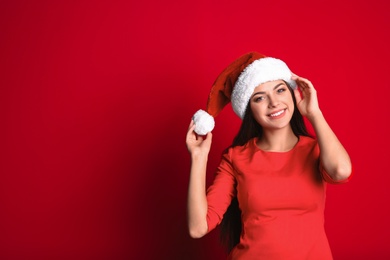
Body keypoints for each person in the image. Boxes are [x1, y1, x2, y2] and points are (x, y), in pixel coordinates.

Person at [186, 52, 352, 259]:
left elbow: (341, 171)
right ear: (249, 110)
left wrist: (314, 113)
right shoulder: (235, 158)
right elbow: (197, 227)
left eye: (280, 90)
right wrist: (199, 157)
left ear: (293, 93)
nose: (274, 102)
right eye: (260, 98)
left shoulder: (316, 150)